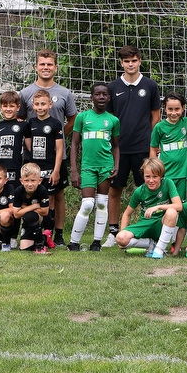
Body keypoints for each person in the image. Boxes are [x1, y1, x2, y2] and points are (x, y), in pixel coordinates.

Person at [18, 49, 77, 247]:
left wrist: (54, 138)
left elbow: (71, 120)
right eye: (42, 64)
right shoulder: (25, 93)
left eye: (49, 64)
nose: (46, 67)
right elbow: (21, 123)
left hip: (56, 157)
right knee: (34, 193)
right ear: (36, 67)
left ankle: (58, 233)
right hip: (33, 157)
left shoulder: (64, 93)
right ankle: (34, 231)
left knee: (58, 195)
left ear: (55, 67)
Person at [105, 45, 161, 245]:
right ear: (121, 63)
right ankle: (113, 231)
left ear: (140, 61)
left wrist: (152, 144)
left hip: (142, 148)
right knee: (115, 189)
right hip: (119, 149)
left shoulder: (150, 86)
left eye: (134, 60)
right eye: (126, 61)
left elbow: (156, 117)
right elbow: (109, 118)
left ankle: (144, 228)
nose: (130, 64)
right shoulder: (112, 87)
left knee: (146, 188)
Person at [68, 83, 121, 252]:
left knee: (101, 203)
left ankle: (97, 242)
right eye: (97, 94)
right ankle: (73, 242)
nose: (101, 97)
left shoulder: (113, 120)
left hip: (106, 167)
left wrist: (117, 166)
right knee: (88, 204)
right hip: (88, 168)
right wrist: (74, 170)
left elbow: (115, 147)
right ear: (91, 97)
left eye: (104, 94)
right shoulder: (82, 117)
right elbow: (74, 144)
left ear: (109, 97)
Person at [24, 88, 65, 249]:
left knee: (51, 201)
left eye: (43, 104)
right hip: (35, 169)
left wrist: (56, 171)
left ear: (50, 104)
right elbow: (29, 146)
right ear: (33, 106)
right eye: (37, 104)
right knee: (36, 201)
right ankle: (36, 233)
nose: (40, 107)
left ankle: (50, 233)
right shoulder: (30, 124)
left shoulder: (55, 124)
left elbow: (59, 149)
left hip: (50, 168)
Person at [117, 157, 182, 257]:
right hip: (145, 224)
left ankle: (159, 250)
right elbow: (126, 214)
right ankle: (151, 244)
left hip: (161, 223)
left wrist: (158, 207)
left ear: (161, 176)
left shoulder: (168, 183)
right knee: (120, 238)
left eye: (155, 176)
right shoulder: (139, 191)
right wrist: (123, 232)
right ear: (143, 176)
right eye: (147, 176)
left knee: (172, 212)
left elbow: (179, 206)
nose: (151, 180)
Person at [150, 92, 187, 198]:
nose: (173, 113)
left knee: (181, 204)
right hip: (166, 174)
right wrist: (154, 171)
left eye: (177, 109)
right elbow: (153, 149)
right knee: (165, 202)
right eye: (170, 109)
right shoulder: (159, 127)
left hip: (183, 174)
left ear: (183, 108)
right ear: (165, 108)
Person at [10, 162, 51, 252]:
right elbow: (16, 214)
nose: (30, 184)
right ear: (21, 181)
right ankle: (45, 237)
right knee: (25, 249)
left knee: (30, 215)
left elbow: (45, 211)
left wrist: (24, 207)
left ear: (39, 181)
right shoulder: (18, 191)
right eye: (27, 180)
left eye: (33, 180)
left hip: (38, 219)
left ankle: (40, 244)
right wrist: (34, 206)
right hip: (26, 220)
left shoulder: (42, 190)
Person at [0, 90, 26, 192]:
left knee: (14, 193)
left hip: (15, 167)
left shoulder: (23, 125)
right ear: (1, 107)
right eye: (5, 106)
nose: (8, 109)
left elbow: (29, 147)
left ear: (18, 107)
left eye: (11, 106)